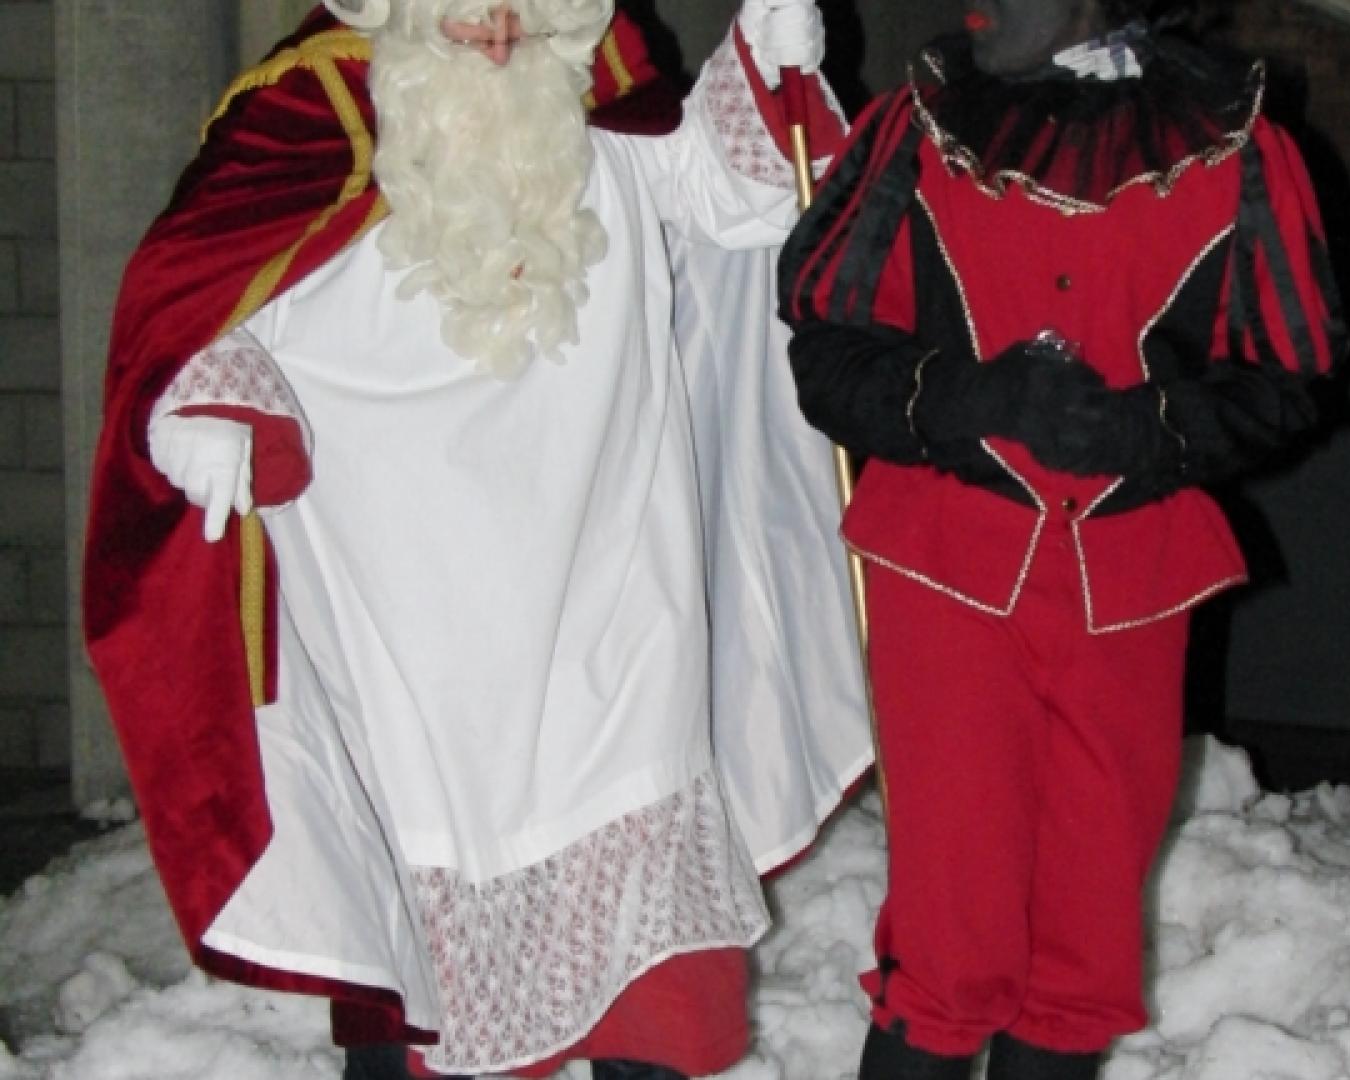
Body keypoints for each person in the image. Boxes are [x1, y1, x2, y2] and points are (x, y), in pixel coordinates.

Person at [82, 1, 872, 1077]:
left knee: (653, 987)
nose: (502, 26)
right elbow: (210, 302)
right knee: (434, 971)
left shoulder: (596, 108)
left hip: (615, 600)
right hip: (415, 623)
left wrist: (765, 71)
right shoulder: (313, 119)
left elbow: (731, 199)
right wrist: (215, 397)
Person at [778, 0, 1348, 1076]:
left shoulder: (1238, 144)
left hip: (1129, 590)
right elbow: (829, 352)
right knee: (950, 936)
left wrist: (1152, 428)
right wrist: (967, 399)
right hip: (947, 573)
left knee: (1085, 941)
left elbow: (1287, 376)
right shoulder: (915, 129)